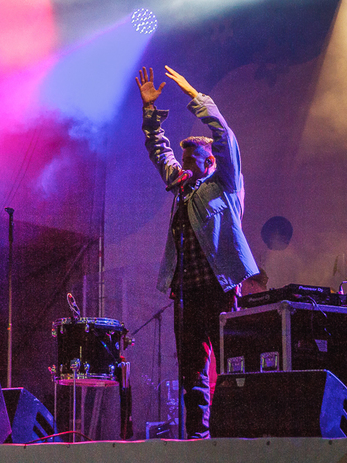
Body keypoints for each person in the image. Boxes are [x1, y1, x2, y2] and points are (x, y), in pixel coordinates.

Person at [137, 66, 259, 438]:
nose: (184, 166)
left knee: (230, 363)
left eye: (191, 161)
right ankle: (198, 437)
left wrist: (195, 97)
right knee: (192, 370)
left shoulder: (225, 184)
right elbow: (159, 152)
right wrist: (150, 113)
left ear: (210, 163)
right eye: (184, 161)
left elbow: (225, 135)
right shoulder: (183, 188)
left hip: (220, 289)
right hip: (186, 293)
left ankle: (232, 434)